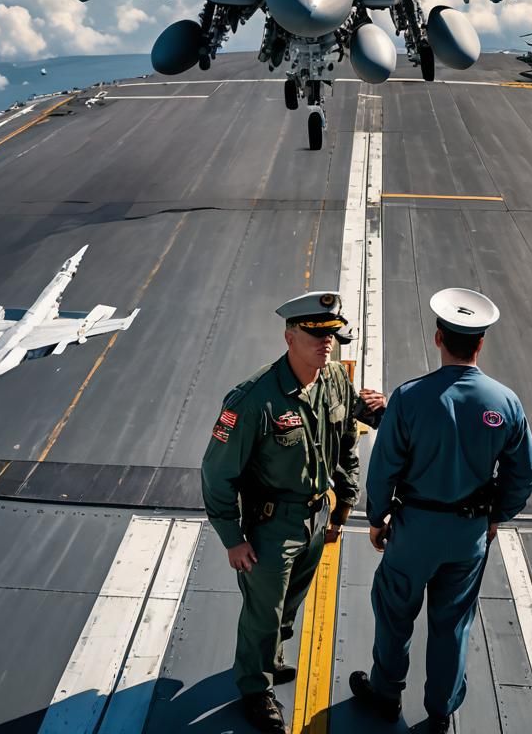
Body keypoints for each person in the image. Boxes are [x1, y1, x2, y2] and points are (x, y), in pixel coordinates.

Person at [349, 288, 532, 733]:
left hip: (414, 530)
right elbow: (525, 473)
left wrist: (377, 519)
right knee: (452, 622)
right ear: (480, 343)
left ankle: (386, 692)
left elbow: (383, 470)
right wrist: (496, 516)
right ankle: (440, 711)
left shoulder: (409, 397)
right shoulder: (505, 402)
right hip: (468, 534)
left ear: (439, 338)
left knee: (395, 612)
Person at [201, 290, 383, 734]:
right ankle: (255, 686)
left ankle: (270, 659)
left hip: (316, 518)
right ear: (289, 335)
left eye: (330, 335)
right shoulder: (251, 400)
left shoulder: (335, 379)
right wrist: (232, 538)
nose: (325, 343)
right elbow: (216, 473)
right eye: (313, 334)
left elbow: (345, 443)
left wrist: (344, 505)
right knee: (263, 612)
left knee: (288, 606)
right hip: (270, 525)